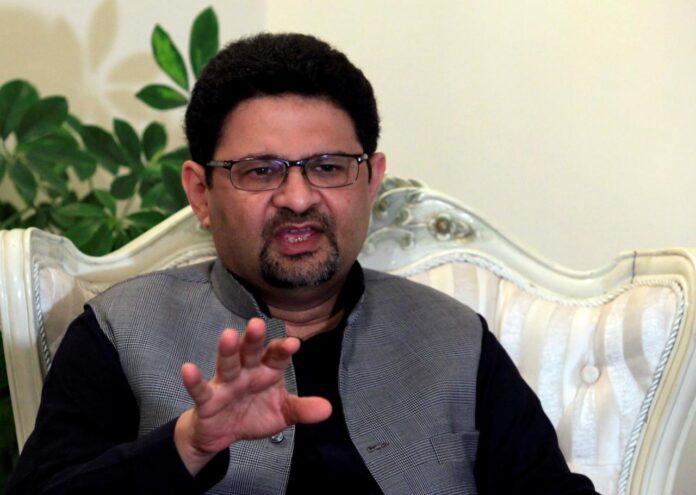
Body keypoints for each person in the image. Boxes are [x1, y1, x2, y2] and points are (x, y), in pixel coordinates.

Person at [7, 33, 598, 494]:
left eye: (328, 166)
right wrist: (188, 444)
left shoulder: (455, 339)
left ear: (372, 181)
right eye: (260, 171)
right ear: (200, 193)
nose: (297, 198)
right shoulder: (118, 330)